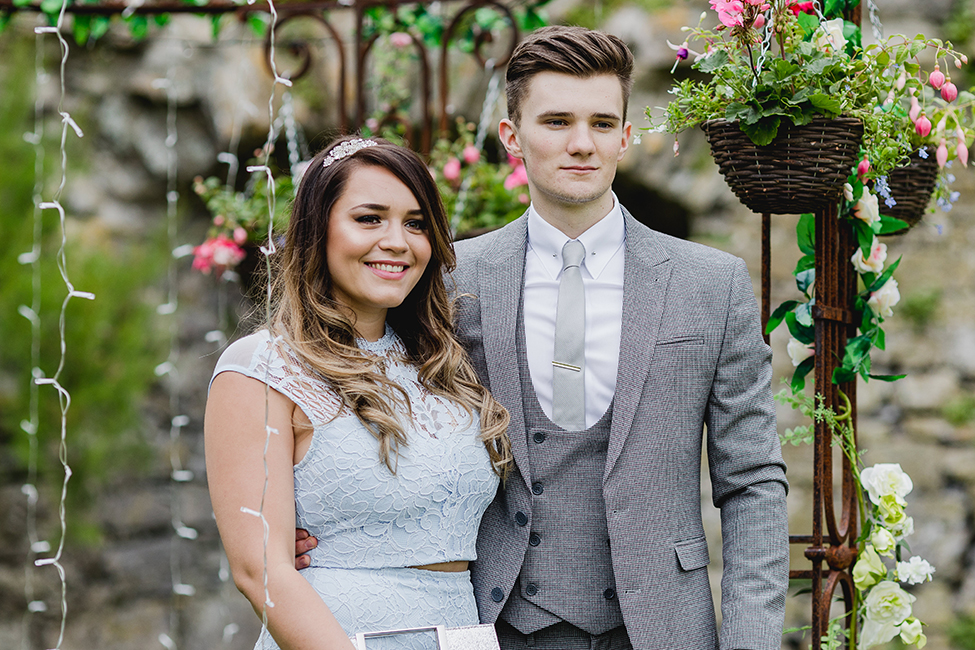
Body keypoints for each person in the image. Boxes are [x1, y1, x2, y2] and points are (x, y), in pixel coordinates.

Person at [449, 26, 788, 650]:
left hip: (662, 626)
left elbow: (753, 482)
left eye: (603, 123)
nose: (582, 144)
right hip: (495, 624)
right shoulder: (454, 279)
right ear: (511, 137)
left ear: (626, 138)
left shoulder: (710, 283)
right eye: (556, 121)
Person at [206, 137, 511, 650]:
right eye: (369, 219)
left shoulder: (445, 365)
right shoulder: (262, 369)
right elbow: (259, 571)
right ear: (316, 230)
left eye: (416, 224)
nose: (397, 241)